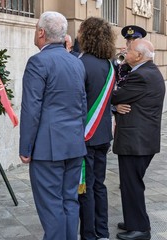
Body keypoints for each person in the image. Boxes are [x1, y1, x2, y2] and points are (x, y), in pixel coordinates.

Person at [19, 11, 87, 240]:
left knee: (52, 207)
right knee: (69, 201)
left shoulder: (38, 62)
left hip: (48, 149)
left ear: (41, 33)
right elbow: (82, 107)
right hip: (74, 145)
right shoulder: (76, 62)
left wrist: (25, 148)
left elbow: (31, 110)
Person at [111, 38, 165, 240]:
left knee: (132, 183)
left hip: (136, 142)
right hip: (141, 140)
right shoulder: (147, 71)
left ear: (139, 56)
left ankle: (141, 229)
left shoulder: (142, 76)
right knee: (130, 183)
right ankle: (133, 221)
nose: (125, 50)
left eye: (129, 49)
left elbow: (116, 95)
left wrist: (115, 104)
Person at [77, 17, 116, 240]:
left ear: (87, 35)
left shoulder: (80, 63)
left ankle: (89, 235)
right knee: (99, 186)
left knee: (86, 188)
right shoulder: (109, 65)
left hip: (86, 136)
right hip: (103, 135)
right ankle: (103, 232)